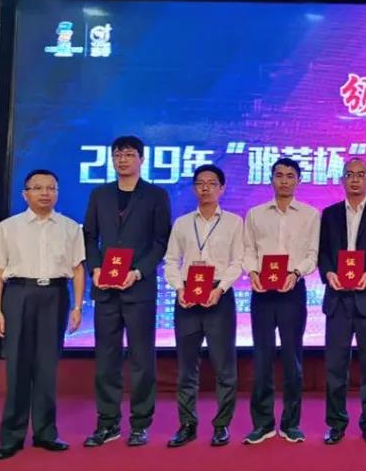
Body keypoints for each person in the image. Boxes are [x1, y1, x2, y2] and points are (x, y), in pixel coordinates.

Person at [0, 169, 85, 460]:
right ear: (25, 194)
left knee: (47, 366)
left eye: (51, 188)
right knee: (17, 366)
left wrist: (77, 306)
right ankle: (11, 437)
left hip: (55, 295)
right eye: (37, 188)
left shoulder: (70, 227)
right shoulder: (9, 227)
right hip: (19, 294)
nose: (45, 193)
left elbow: (78, 269)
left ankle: (46, 433)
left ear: (57, 193)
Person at [83, 136, 171, 448]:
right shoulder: (100, 194)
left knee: (141, 359)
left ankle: (140, 423)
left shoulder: (156, 195)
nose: (122, 160)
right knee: (106, 359)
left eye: (129, 154)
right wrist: (95, 268)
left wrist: (139, 271)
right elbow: (89, 236)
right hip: (105, 289)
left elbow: (161, 241)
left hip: (139, 289)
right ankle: (107, 423)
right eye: (118, 155)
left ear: (141, 159)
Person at [162, 165, 243, 448]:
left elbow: (238, 261)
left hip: (219, 294)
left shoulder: (234, 222)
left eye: (212, 183)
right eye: (200, 183)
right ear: (194, 188)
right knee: (187, 367)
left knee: (224, 366)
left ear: (222, 188)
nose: (205, 188)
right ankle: (187, 424)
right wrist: (179, 289)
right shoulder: (182, 223)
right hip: (187, 294)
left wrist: (220, 289)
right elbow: (171, 260)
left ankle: (221, 425)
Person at [242, 157, 320, 445]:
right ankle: (262, 424)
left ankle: (291, 423)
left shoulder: (310, 215)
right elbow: (248, 250)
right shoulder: (255, 214)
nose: (284, 180)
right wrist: (252, 272)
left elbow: (312, 254)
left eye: (290, 175)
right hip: (262, 293)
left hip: (292, 292)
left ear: (298, 180)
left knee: (292, 359)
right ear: (271, 179)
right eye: (279, 175)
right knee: (261, 359)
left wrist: (296, 273)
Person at [318, 158, 366, 446]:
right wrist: (328, 273)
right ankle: (336, 424)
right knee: (335, 367)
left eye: (360, 174)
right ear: (341, 179)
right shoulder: (329, 214)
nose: (354, 179)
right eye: (349, 175)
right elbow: (323, 253)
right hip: (338, 300)